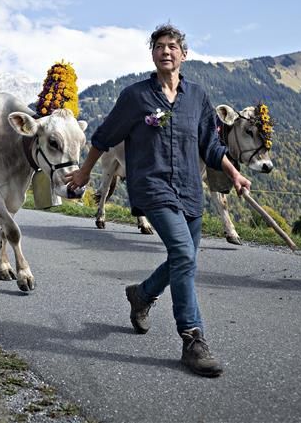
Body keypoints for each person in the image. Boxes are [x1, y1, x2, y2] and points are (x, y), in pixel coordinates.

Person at [66, 24, 250, 378]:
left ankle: (143, 294)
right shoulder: (136, 96)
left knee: (186, 257)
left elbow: (210, 145)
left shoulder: (197, 97)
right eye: (159, 47)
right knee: (183, 254)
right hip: (151, 186)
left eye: (172, 46)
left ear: (184, 53)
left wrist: (235, 173)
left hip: (188, 189)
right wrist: (85, 172)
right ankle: (193, 339)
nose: (166, 51)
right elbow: (104, 136)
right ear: (153, 54)